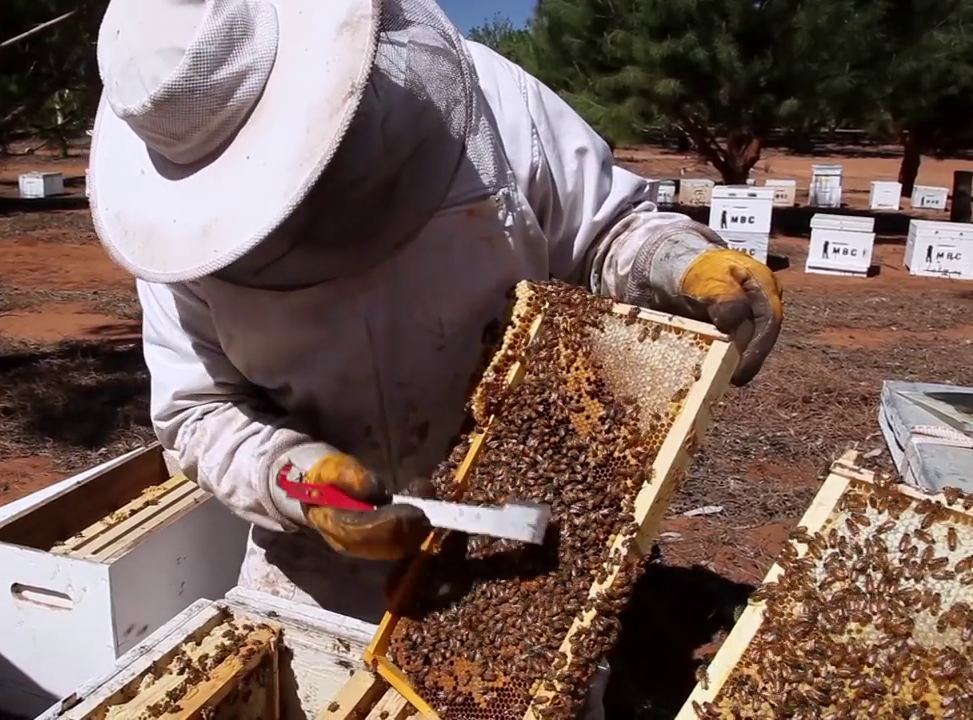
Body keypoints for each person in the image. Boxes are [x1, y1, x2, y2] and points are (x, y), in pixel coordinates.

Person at [87, 0, 784, 624]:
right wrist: (292, 478)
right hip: (320, 568)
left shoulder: (494, 103)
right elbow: (200, 410)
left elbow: (603, 230)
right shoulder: (176, 231)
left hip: (531, 530)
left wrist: (669, 260)